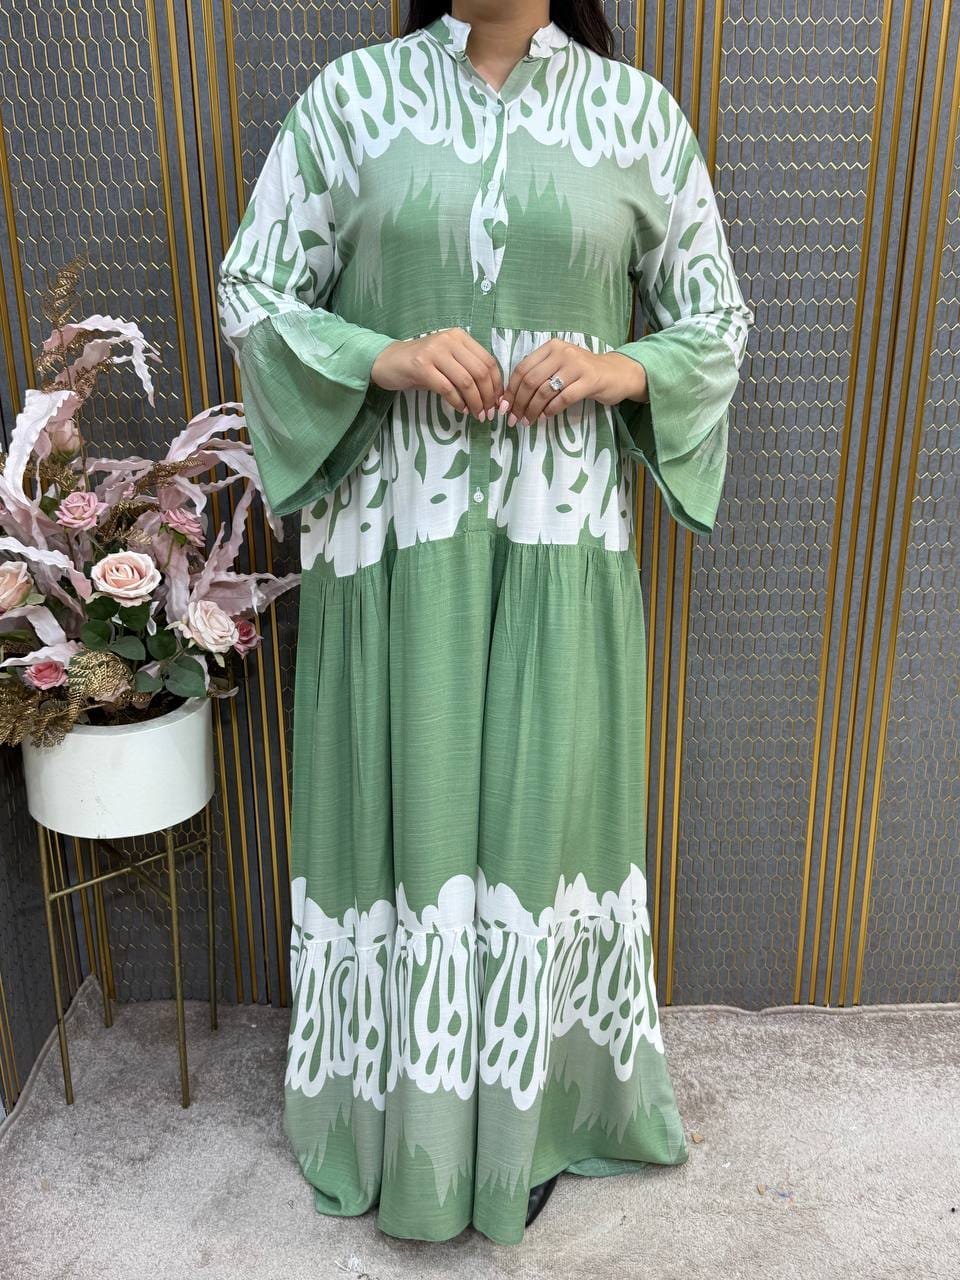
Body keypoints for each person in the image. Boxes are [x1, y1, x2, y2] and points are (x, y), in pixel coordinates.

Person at [216, 0, 753, 1247]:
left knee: (539, 815)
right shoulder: (353, 101)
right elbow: (254, 288)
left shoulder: (634, 115)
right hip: (393, 542)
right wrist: (382, 354)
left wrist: (625, 368)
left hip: (558, 541)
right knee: (400, 807)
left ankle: (529, 1113)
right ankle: (396, 1113)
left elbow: (717, 317)